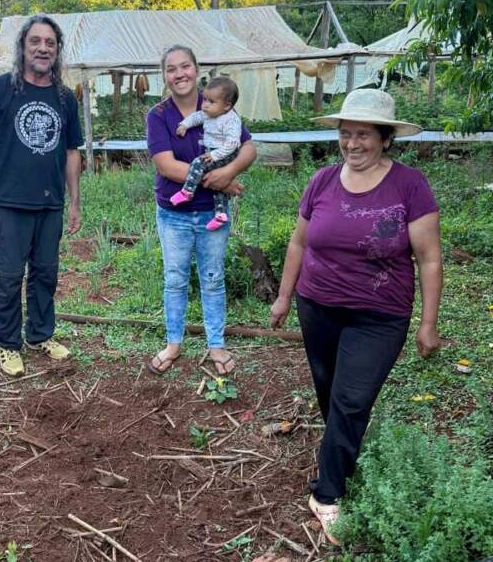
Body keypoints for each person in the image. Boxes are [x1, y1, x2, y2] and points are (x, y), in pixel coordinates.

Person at [269, 88, 443, 545]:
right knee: (331, 395)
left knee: (351, 399)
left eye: (363, 134)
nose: (353, 144)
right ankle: (343, 454)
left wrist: (428, 323)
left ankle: (326, 495)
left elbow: (429, 258)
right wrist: (284, 298)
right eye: (346, 134)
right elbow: (299, 244)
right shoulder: (322, 181)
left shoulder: (410, 185)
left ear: (385, 137)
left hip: (380, 315)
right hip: (318, 306)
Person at [0, 14, 83, 377]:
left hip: (50, 203)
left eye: (50, 43)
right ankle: (7, 344)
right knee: (7, 276)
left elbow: (71, 152)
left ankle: (40, 335)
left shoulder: (65, 98)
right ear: (22, 47)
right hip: (8, 203)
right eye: (35, 41)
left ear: (57, 50)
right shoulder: (0, 90)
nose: (43, 48)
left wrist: (74, 202)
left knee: (46, 273)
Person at [146, 45, 256, 376]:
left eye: (185, 66)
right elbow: (166, 166)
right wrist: (220, 182)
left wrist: (230, 171)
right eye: (171, 69)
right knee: (175, 279)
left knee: (212, 277)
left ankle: (216, 344)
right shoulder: (159, 115)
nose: (179, 74)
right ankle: (174, 344)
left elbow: (249, 147)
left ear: (197, 69)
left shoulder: (219, 102)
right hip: (174, 213)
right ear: (164, 75)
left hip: (211, 212)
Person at [171, 76, 242, 230]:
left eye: (211, 102)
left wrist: (215, 155)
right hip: (214, 151)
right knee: (217, 188)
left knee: (198, 163)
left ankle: (187, 191)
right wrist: (184, 125)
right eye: (205, 100)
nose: (205, 105)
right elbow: (197, 117)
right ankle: (220, 215)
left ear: (227, 106)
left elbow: (233, 143)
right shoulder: (210, 113)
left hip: (226, 153)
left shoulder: (231, 120)